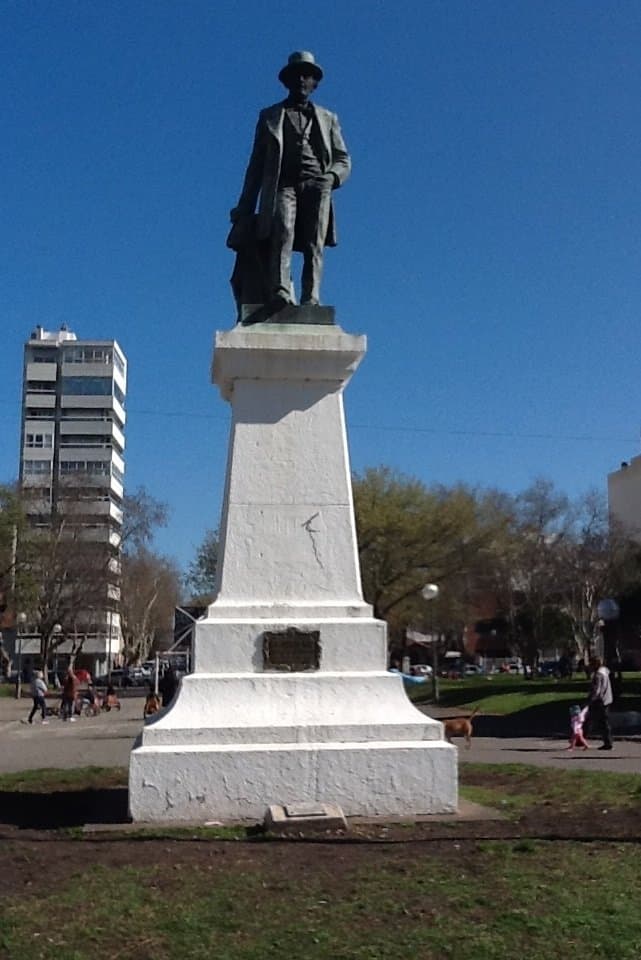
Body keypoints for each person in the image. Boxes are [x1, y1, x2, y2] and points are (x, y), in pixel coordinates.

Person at [230, 50, 351, 316]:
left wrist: (331, 177)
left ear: (314, 83)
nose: (302, 80)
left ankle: (311, 297)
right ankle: (281, 290)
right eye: (296, 75)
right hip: (283, 184)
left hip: (317, 184)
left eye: (307, 76)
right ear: (287, 81)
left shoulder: (328, 118)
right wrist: (244, 206)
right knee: (282, 232)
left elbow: (343, 159)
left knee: (313, 243)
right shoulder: (270, 116)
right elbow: (256, 166)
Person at [587, 656, 613, 750]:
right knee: (604, 721)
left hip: (600, 700)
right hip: (607, 698)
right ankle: (608, 741)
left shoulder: (598, 675)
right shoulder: (605, 671)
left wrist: (591, 699)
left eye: (591, 664)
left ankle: (607, 742)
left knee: (601, 722)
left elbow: (597, 690)